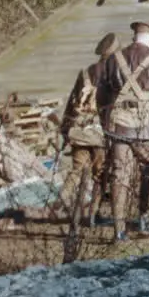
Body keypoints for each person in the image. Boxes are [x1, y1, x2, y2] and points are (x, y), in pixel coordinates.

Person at [97, 21, 149, 241]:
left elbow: (101, 97)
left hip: (119, 128)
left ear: (134, 37)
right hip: (147, 130)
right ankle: (143, 219)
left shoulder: (114, 59)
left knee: (118, 176)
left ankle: (119, 229)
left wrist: (105, 122)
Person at [58, 32, 119, 224]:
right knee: (100, 174)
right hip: (101, 132)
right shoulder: (114, 75)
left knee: (77, 171)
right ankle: (93, 214)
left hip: (79, 130)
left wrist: (64, 129)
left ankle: (63, 202)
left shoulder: (86, 73)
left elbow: (71, 103)